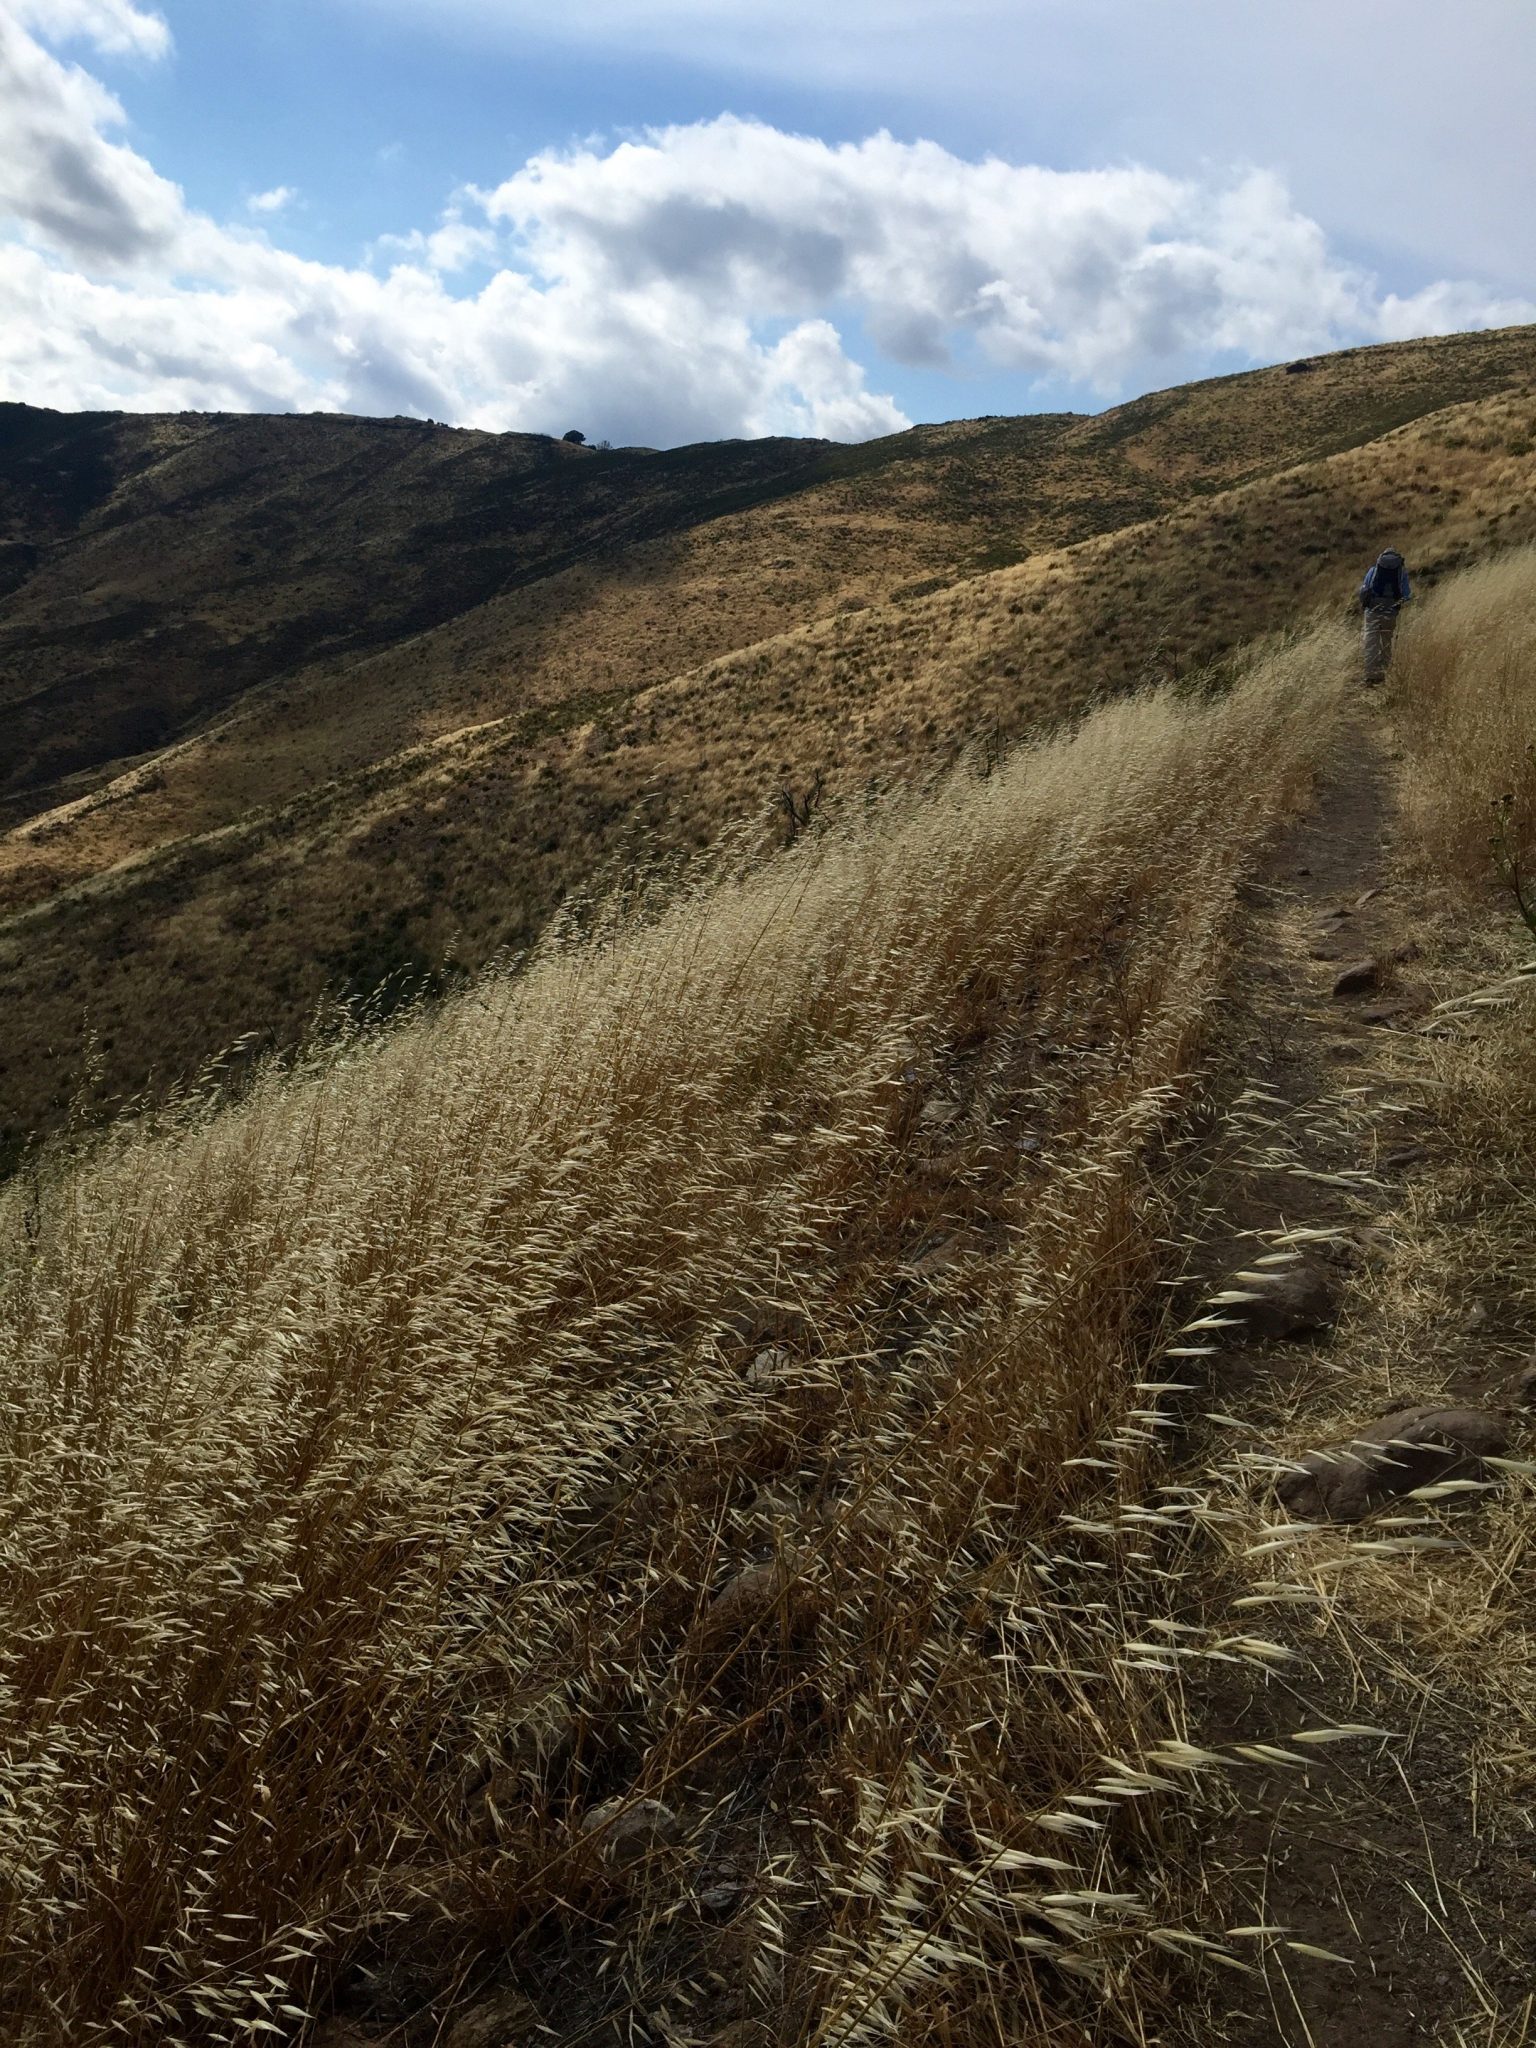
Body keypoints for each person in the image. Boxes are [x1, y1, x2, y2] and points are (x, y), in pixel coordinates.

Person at [1358, 547, 1411, 685]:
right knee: (1386, 643)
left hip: (1372, 612)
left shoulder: (1373, 570)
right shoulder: (1401, 573)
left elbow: (1364, 590)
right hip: (1391, 612)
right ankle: (1384, 674)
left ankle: (1370, 675)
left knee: (1371, 643)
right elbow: (1406, 595)